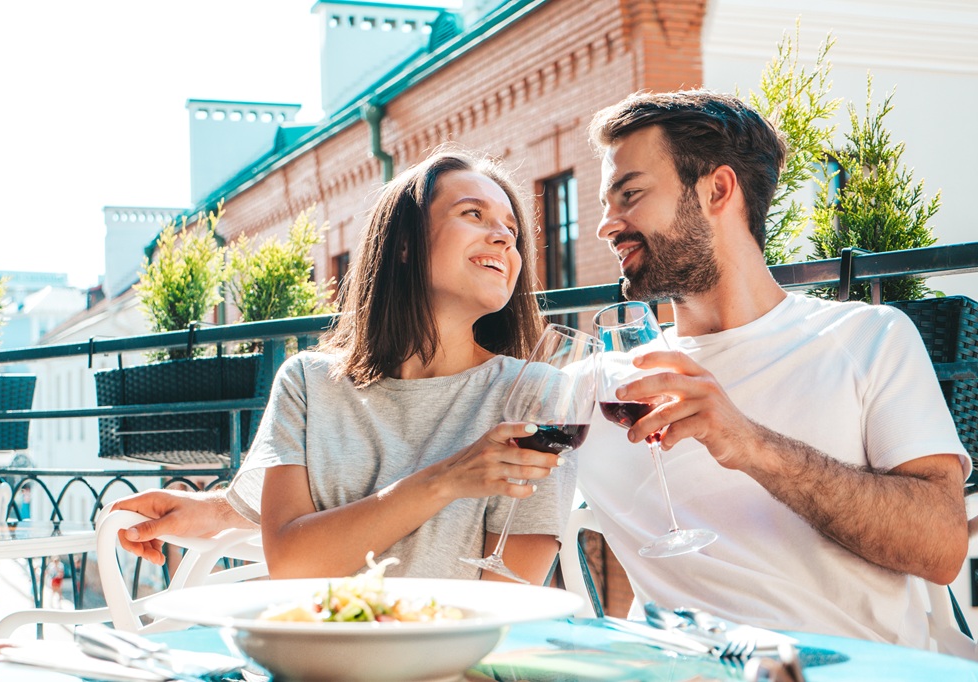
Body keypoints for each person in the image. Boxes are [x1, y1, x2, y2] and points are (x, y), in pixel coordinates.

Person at [577, 89, 969, 649]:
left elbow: (941, 547)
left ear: (718, 189)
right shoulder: (605, 385)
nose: (606, 225)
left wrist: (751, 444)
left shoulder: (867, 337)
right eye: (606, 203)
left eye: (630, 194)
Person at [114, 148, 576, 585]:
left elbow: (507, 602)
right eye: (473, 214)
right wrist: (444, 480)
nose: (502, 238)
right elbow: (292, 562)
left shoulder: (535, 399)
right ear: (404, 245)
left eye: (512, 232)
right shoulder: (308, 382)